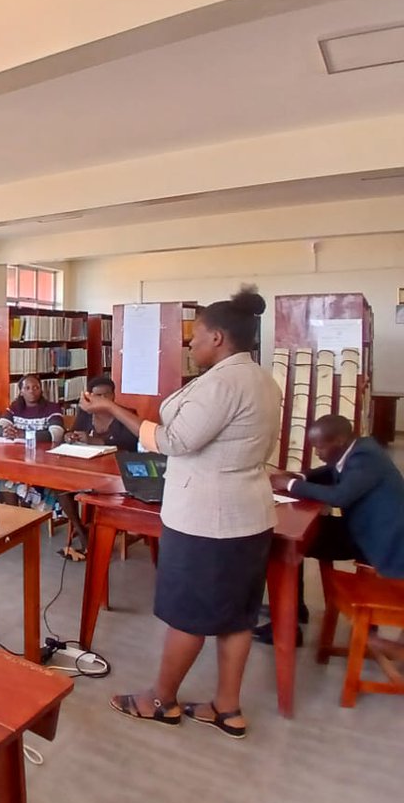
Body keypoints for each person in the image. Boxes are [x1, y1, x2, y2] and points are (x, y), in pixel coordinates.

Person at [79, 287, 278, 739]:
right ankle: (228, 707)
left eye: (197, 335)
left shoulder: (224, 383)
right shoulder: (261, 378)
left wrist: (114, 409)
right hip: (250, 513)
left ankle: (159, 699)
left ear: (219, 338)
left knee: (188, 613)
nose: (189, 343)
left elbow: (174, 441)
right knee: (236, 614)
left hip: (209, 517)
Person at [262, 414, 404, 645]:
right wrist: (300, 475)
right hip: (363, 531)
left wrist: (289, 485)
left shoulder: (366, 458)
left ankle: (287, 622)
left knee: (287, 543)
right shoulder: (360, 448)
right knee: (296, 538)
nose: (318, 453)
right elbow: (332, 470)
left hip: (374, 542)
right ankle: (293, 612)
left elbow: (340, 496)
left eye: (320, 447)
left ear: (338, 441)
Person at [57, 376, 139, 561]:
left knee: (98, 495)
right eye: (96, 395)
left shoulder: (126, 414)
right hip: (88, 468)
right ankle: (81, 530)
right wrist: (72, 436)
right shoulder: (86, 414)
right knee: (59, 487)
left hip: (116, 475)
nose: (101, 399)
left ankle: (100, 533)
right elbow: (77, 432)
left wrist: (95, 441)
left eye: (105, 395)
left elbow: (131, 445)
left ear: (114, 396)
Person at [0, 374, 66, 518]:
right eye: (27, 388)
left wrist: (22, 434)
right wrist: (5, 431)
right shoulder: (15, 408)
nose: (32, 391)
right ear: (21, 391)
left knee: (20, 484)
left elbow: (56, 434)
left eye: (36, 387)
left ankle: (25, 520)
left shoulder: (52, 408)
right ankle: (15, 521)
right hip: (17, 463)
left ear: (41, 390)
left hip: (42, 465)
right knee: (4, 480)